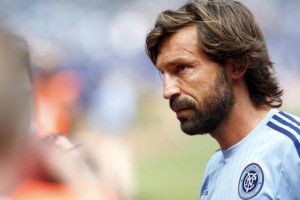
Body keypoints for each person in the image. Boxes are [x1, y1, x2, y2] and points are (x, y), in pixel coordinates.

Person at [145, 0, 300, 199]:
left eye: (182, 68)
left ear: (236, 66)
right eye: (163, 74)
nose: (168, 91)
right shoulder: (214, 170)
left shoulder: (292, 147)